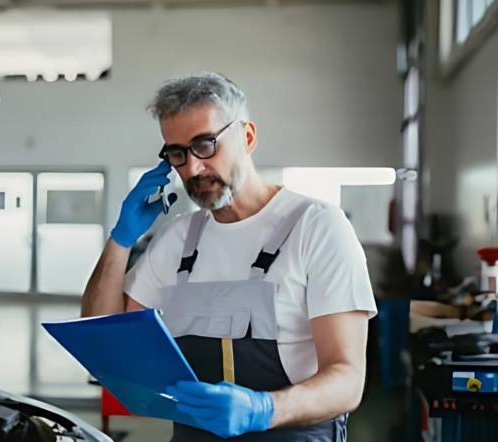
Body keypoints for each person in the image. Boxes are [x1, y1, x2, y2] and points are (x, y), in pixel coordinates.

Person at [81, 72, 377, 441]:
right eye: (177, 153)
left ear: (248, 137)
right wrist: (121, 240)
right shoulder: (179, 239)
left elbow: (347, 380)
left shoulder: (316, 228)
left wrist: (263, 409)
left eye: (205, 144)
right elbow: (104, 341)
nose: (192, 168)